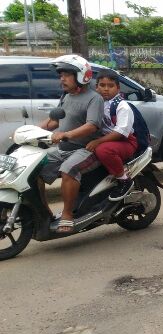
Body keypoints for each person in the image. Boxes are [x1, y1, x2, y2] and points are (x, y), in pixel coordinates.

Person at [38, 55, 103, 233]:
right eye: (61, 75)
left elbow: (92, 125)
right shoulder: (67, 97)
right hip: (63, 149)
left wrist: (66, 135)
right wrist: (31, 131)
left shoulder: (94, 98)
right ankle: (45, 213)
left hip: (86, 150)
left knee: (69, 169)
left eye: (67, 75)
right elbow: (54, 122)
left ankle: (67, 214)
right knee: (34, 168)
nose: (62, 79)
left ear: (81, 76)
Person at [87, 69, 137, 201]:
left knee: (103, 150)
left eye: (110, 86)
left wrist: (98, 142)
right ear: (96, 87)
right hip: (107, 139)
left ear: (118, 88)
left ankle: (124, 180)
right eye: (102, 85)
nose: (106, 89)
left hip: (125, 142)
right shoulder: (96, 103)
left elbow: (121, 132)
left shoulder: (121, 106)